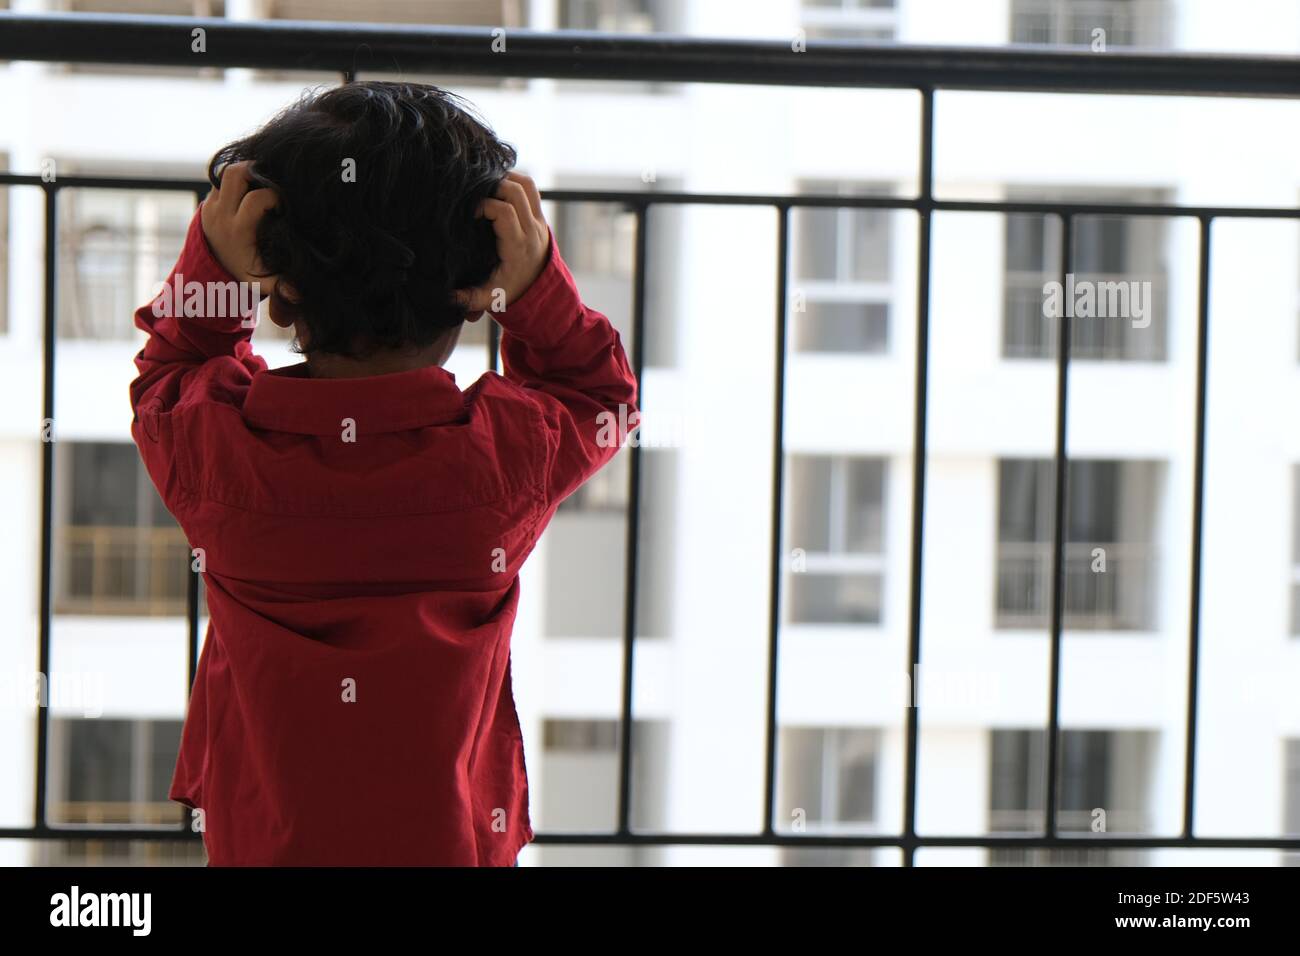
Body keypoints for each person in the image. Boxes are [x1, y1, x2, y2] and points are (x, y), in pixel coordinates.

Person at [129, 81, 637, 865]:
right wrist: (535, 295)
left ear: (282, 290)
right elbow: (599, 397)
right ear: (471, 296)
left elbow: (168, 372)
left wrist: (215, 270)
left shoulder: (217, 455)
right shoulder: (506, 462)